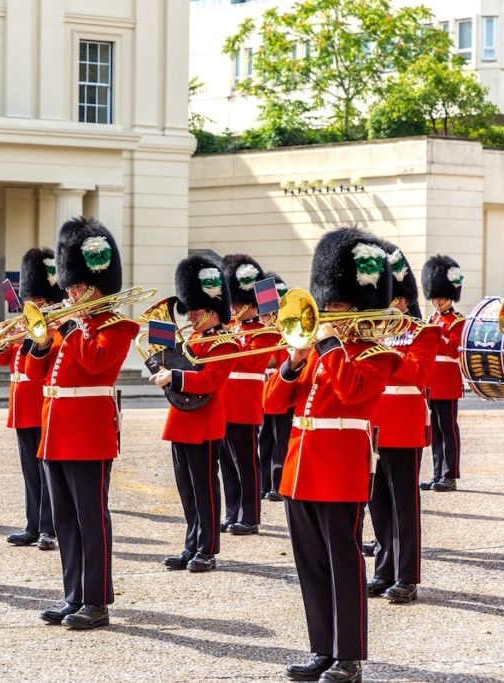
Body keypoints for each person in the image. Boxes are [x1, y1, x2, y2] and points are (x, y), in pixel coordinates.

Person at [264, 227, 399, 683]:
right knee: (311, 567)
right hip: (300, 470)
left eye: (338, 307)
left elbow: (351, 391)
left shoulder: (377, 355)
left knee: (343, 565)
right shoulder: (317, 352)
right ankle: (322, 649)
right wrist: (292, 361)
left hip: (340, 469)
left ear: (358, 307)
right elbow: (271, 403)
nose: (330, 314)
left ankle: (349, 657)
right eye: (329, 304)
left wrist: (326, 345)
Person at [27, 217, 139, 630]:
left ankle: (97, 600)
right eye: (70, 287)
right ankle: (73, 595)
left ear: (97, 285)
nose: (70, 294)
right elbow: (41, 375)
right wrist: (42, 341)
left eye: (77, 288)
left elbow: (95, 363)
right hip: (56, 431)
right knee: (65, 521)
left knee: (92, 518)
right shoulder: (74, 327)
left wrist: (73, 325)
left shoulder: (119, 327)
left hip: (89, 433)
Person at [151, 255, 236, 572]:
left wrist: (174, 376)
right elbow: (173, 366)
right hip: (181, 419)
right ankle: (191, 544)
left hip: (204, 421)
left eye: (197, 311)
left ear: (212, 312)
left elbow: (211, 380)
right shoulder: (191, 338)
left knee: (204, 488)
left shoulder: (224, 343)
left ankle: (208, 548)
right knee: (186, 489)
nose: (191, 315)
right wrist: (161, 359)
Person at [368, 244, 438, 605]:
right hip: (373, 428)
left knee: (403, 506)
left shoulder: (423, 334)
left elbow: (417, 374)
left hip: (404, 428)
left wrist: (384, 350)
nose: (389, 306)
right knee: (377, 503)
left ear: (405, 301)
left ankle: (407, 575)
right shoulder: (373, 331)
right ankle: (383, 569)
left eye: (394, 299)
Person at [0, 247, 64, 551]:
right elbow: (4, 360)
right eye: (29, 300)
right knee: (30, 474)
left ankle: (49, 527)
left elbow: (50, 360)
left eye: (35, 301)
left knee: (47, 472)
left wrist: (39, 336)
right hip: (21, 407)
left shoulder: (53, 331)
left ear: (47, 302)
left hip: (41, 404)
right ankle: (33, 525)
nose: (29, 305)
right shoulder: (25, 330)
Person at [217, 254, 279, 535]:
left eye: (239, 304)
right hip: (222, 403)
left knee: (246, 462)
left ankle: (250, 515)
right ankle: (232, 512)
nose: (234, 308)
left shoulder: (266, 334)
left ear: (251, 306)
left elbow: (252, 363)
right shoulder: (230, 330)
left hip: (244, 403)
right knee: (227, 464)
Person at [420, 255, 465, 492]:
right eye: (435, 296)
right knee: (435, 431)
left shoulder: (457, 321)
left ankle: (451, 475)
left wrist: (436, 334)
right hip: (431, 383)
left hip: (447, 383)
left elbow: (453, 350)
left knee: (449, 429)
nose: (437, 301)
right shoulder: (432, 319)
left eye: (441, 296)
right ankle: (437, 474)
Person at [258, 272, 292, 502]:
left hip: (283, 390)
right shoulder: (264, 330)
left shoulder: (287, 331)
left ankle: (278, 484)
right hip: (265, 391)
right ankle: (264, 482)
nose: (266, 316)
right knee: (265, 438)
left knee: (282, 438)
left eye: (270, 313)